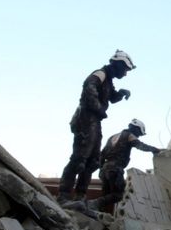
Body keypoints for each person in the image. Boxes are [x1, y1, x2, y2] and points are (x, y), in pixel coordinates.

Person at [58, 50, 136, 203]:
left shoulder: (108, 80)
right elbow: (89, 86)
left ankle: (80, 195)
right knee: (80, 157)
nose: (125, 74)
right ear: (118, 64)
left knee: (93, 160)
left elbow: (112, 97)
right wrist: (97, 107)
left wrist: (120, 93)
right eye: (125, 70)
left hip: (95, 120)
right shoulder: (101, 73)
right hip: (86, 118)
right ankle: (64, 194)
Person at [87, 118, 161, 212]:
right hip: (115, 169)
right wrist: (155, 150)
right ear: (136, 128)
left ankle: (100, 217)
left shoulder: (112, 137)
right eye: (139, 134)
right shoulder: (129, 135)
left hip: (105, 169)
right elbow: (140, 146)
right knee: (119, 195)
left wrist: (101, 169)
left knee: (106, 197)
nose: (138, 136)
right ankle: (93, 204)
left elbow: (102, 155)